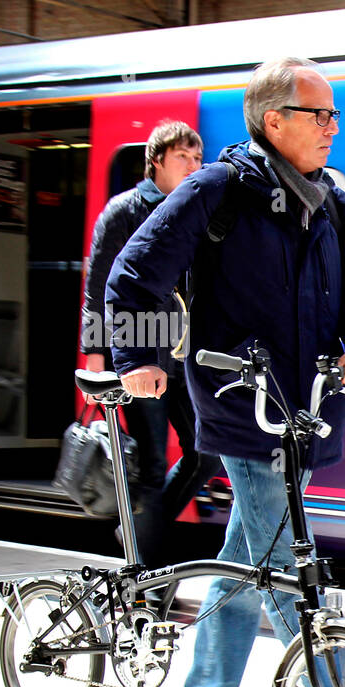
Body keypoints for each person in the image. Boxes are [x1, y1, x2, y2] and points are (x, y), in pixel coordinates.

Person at [106, 57, 345, 687]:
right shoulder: (218, 189)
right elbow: (134, 272)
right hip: (242, 398)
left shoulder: (333, 202)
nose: (332, 128)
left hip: (308, 407)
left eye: (334, 115)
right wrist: (136, 360)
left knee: (248, 551)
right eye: (319, 115)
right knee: (292, 552)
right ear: (275, 120)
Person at [81, 120, 219, 576]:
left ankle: (142, 532)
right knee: (155, 462)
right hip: (139, 353)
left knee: (204, 455)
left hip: (181, 357)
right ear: (156, 160)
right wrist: (97, 356)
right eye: (184, 157)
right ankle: (151, 572)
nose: (193, 166)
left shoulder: (193, 211)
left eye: (198, 159)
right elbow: (99, 284)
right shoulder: (123, 211)